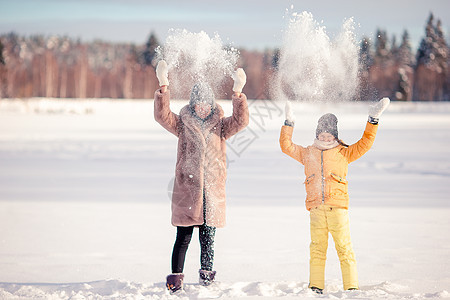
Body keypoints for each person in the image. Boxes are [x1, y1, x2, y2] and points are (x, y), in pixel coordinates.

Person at [154, 60, 249, 293]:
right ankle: (175, 280)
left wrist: (238, 94)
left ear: (212, 104)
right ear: (193, 104)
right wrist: (164, 88)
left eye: (207, 104)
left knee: (208, 240)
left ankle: (207, 278)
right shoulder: (182, 124)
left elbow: (241, 121)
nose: (203, 108)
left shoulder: (221, 126)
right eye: (199, 104)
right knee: (183, 238)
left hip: (212, 193)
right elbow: (163, 116)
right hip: (188, 192)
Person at [279, 98, 390, 294]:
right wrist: (289, 122)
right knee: (317, 250)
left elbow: (365, 144)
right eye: (322, 134)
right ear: (317, 134)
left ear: (335, 136)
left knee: (344, 248)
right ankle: (315, 286)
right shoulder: (308, 153)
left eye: (330, 135)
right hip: (316, 210)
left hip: (338, 210)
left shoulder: (344, 152)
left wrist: (373, 120)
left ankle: (351, 286)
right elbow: (286, 146)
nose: (326, 138)